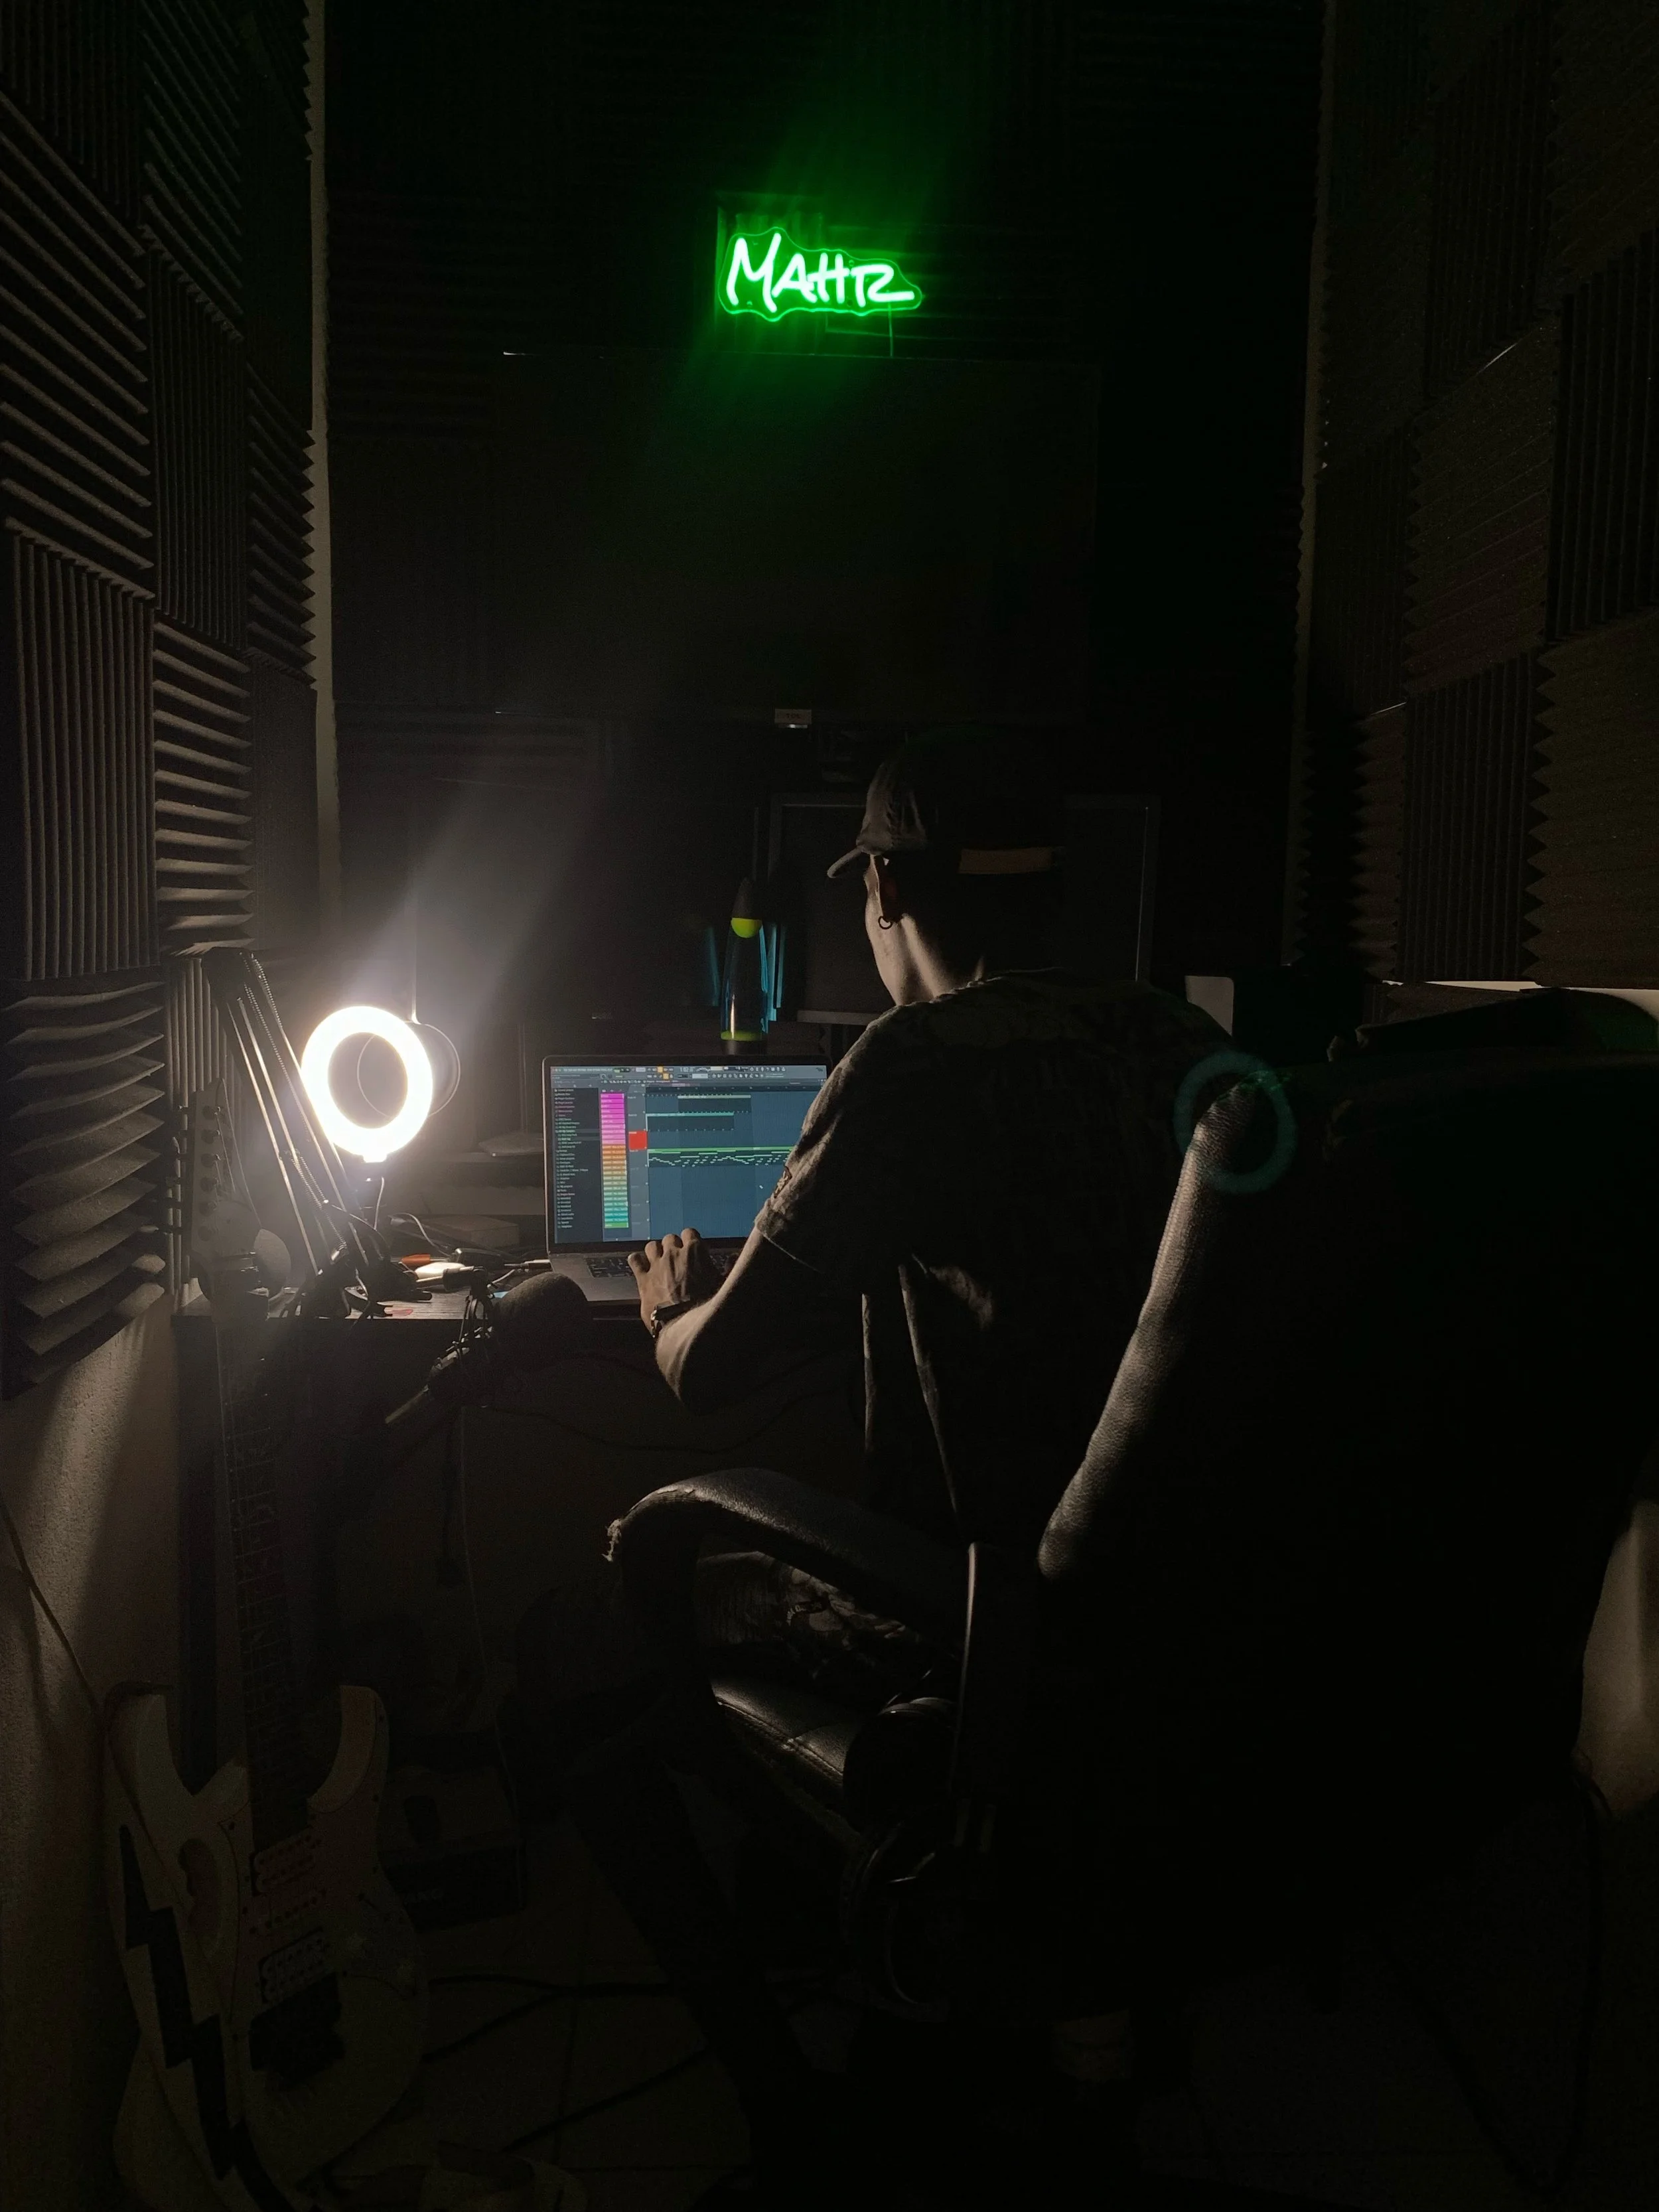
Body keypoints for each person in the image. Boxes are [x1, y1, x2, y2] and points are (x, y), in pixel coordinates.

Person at [516, 731, 1225, 2206]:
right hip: (1167, 1631)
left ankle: (799, 2115)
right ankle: (958, 1976)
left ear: (885, 880)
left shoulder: (910, 1068)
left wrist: (661, 1312)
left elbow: (713, 1376)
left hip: (970, 1639)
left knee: (592, 1665)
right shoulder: (1180, 1047)